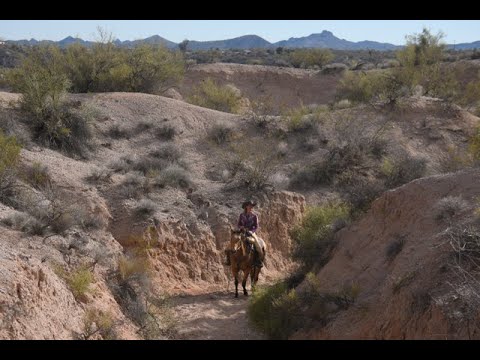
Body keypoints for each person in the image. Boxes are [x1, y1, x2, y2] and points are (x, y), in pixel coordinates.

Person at [225, 200, 264, 267]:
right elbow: (239, 224)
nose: (251, 207)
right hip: (241, 232)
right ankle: (228, 260)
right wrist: (241, 227)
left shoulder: (254, 216)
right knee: (230, 245)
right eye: (249, 206)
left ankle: (259, 260)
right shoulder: (242, 215)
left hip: (251, 232)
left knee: (258, 245)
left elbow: (256, 226)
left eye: (252, 206)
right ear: (246, 207)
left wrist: (251, 231)